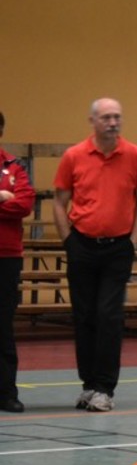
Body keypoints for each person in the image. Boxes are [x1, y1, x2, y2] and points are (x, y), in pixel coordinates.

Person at [52, 98, 137, 413]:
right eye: (106, 117)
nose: (113, 122)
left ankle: (105, 388)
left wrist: (133, 241)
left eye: (117, 117)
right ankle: (89, 385)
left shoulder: (135, 155)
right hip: (82, 245)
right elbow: (59, 201)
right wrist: (68, 240)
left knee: (109, 316)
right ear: (92, 121)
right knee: (84, 316)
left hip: (118, 247)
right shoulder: (74, 155)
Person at [0, 112, 35, 413]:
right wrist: (1, 197)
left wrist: (9, 198)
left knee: (3, 326)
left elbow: (24, 204)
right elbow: (11, 203)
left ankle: (6, 393)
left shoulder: (14, 166)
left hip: (6, 256)